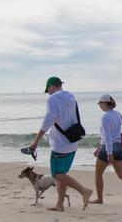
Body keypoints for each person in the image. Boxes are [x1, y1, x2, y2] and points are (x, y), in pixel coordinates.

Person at [27, 76, 92, 211]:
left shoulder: (53, 98)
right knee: (62, 175)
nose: (49, 93)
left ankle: (84, 191)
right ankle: (59, 204)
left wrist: (36, 140)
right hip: (72, 141)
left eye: (48, 90)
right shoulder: (71, 97)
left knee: (56, 174)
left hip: (60, 144)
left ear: (51, 86)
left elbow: (49, 119)